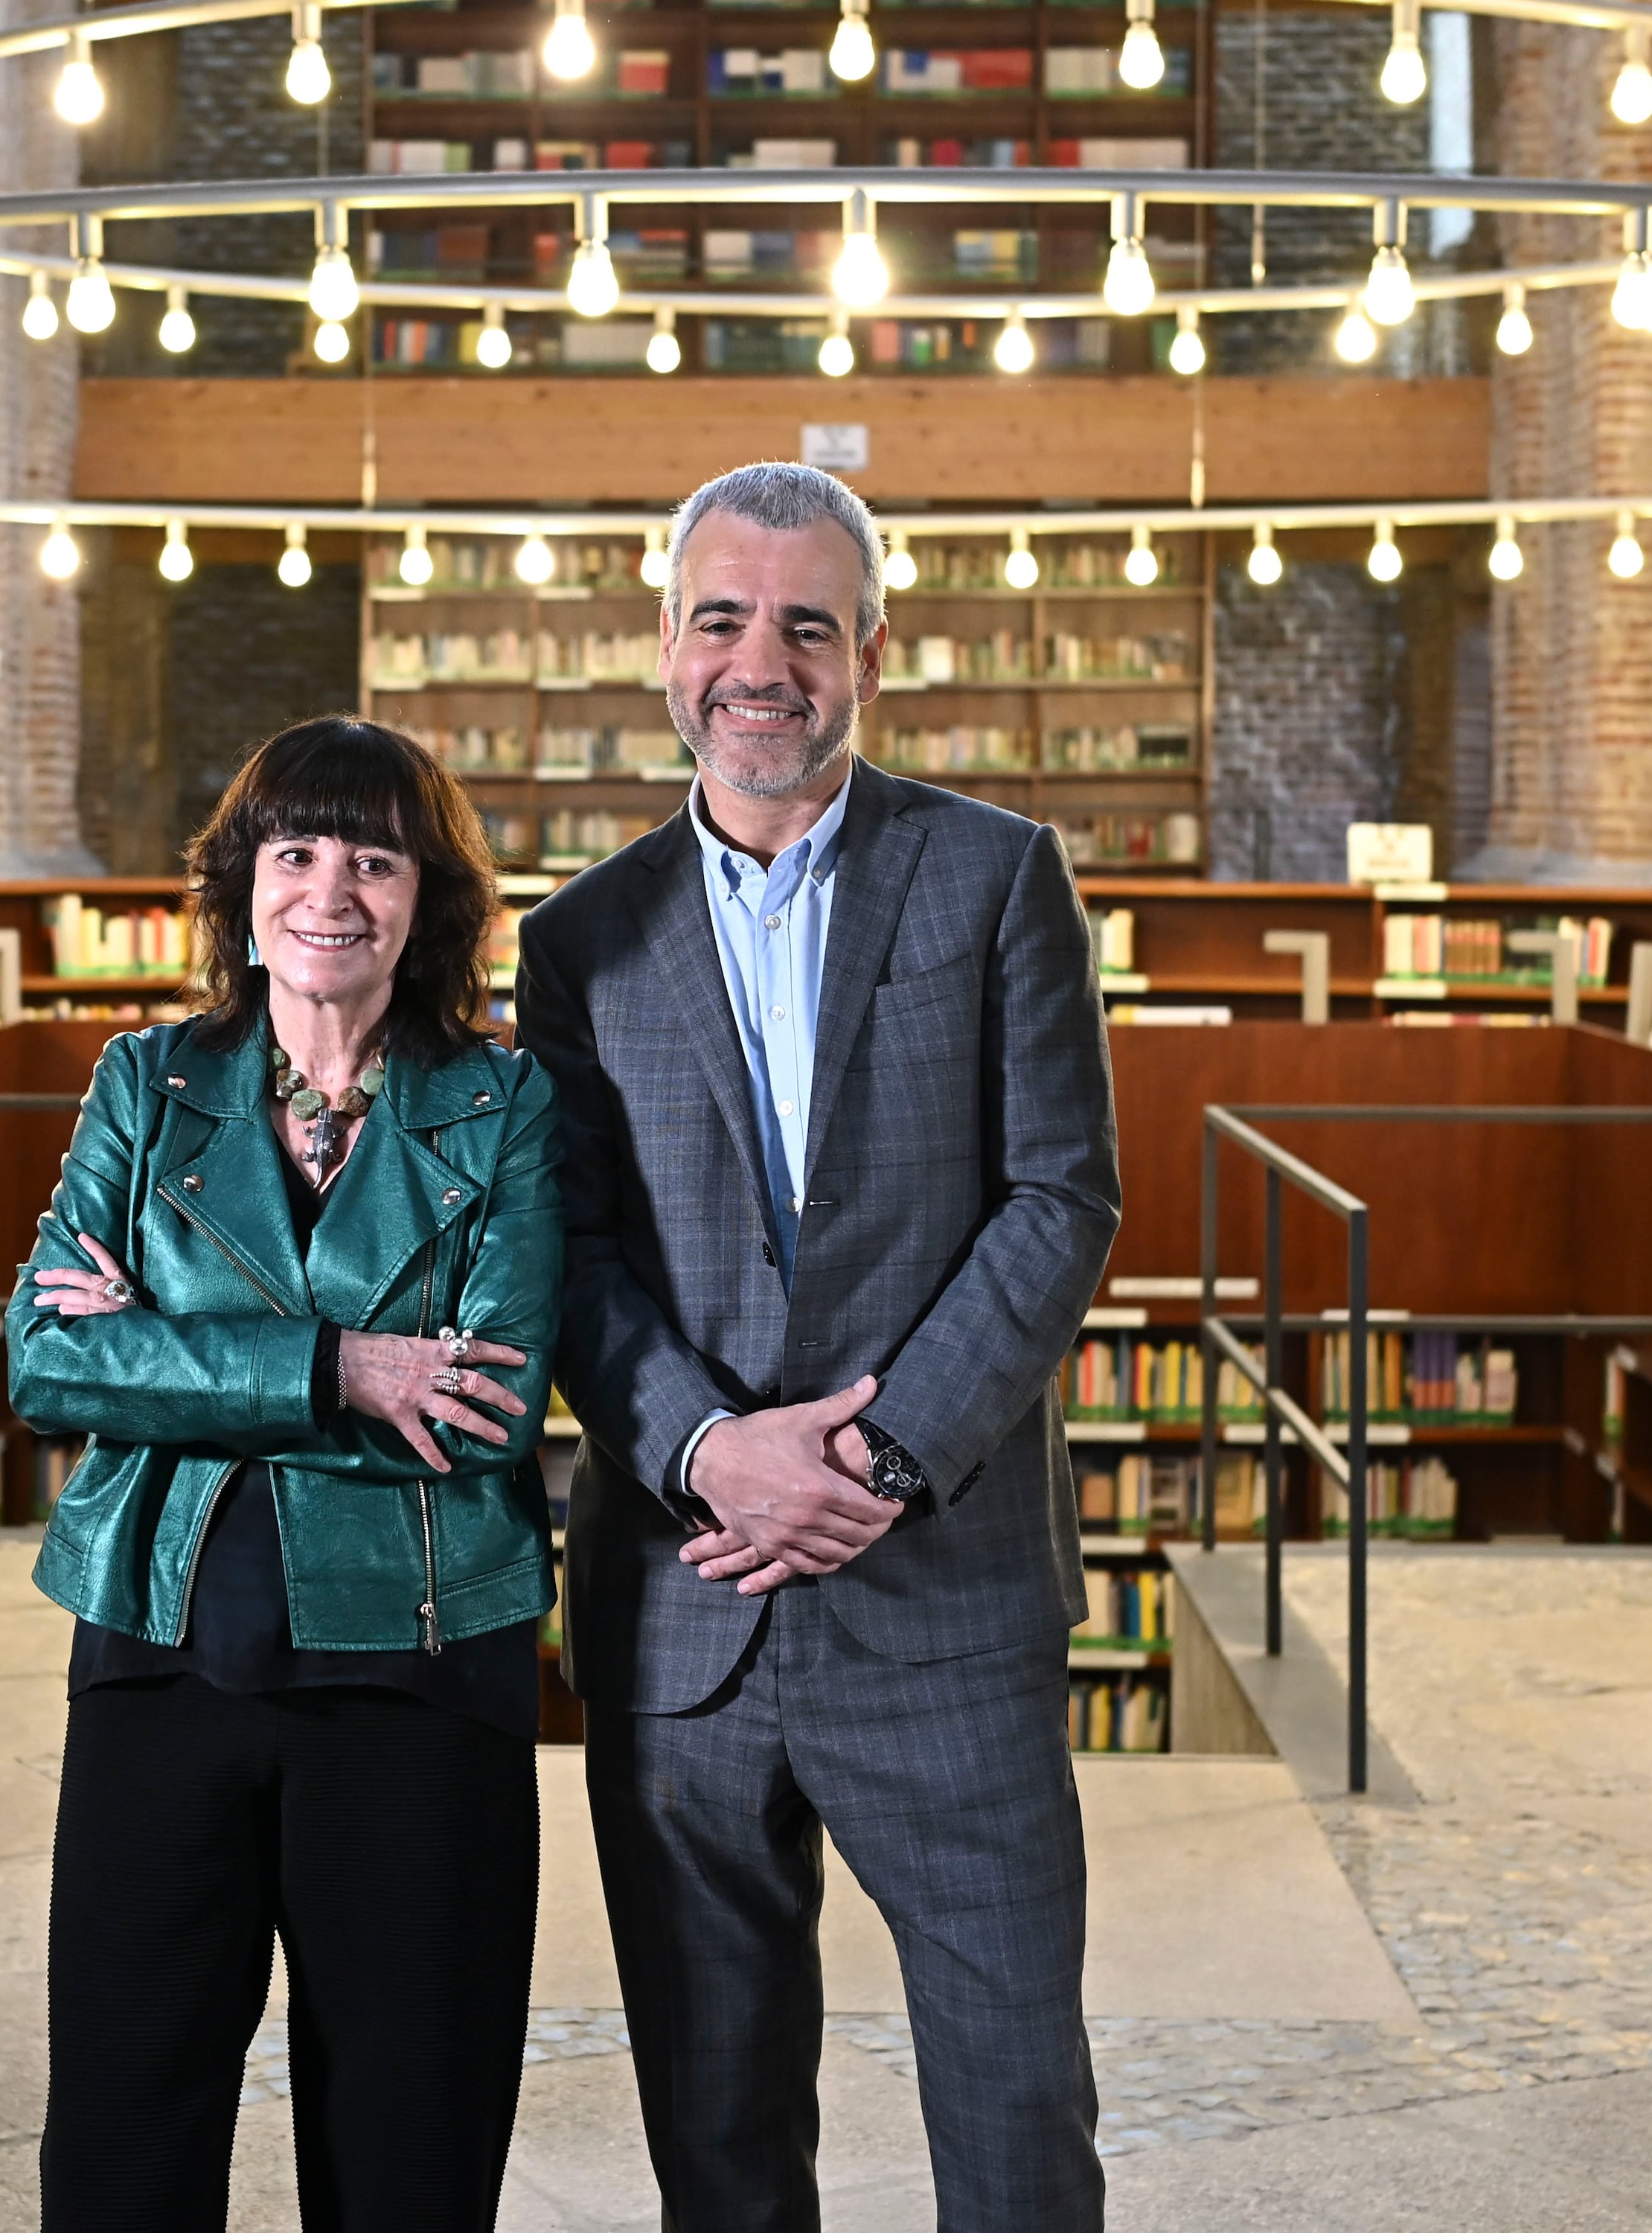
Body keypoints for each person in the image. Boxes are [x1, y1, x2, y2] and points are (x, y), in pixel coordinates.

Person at [516, 461, 1123, 2229]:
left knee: (1016, 2114)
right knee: (715, 2135)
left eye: (805, 623)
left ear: (871, 648)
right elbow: (570, 1253)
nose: (759, 662)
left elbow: (1060, 1197)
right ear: (665, 642)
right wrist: (713, 1450)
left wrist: (872, 1454)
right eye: (721, 619)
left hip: (941, 1592)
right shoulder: (578, 938)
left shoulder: (997, 874)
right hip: (682, 1609)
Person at [13, 716, 560, 2232]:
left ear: (427, 900)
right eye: (296, 850)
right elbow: (47, 1356)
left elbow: (489, 1407)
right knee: (123, 2139)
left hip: (422, 1673)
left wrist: (168, 1350)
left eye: (375, 859)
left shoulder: (504, 1103)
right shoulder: (146, 1082)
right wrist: (347, 1367)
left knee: (409, 2151)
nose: (331, 890)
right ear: (242, 885)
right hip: (159, 1654)